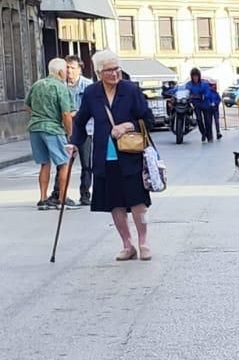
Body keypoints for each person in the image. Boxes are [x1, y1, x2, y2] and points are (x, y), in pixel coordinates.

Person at [67, 50, 156, 261]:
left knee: (137, 202)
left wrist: (128, 125)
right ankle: (127, 244)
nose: (115, 74)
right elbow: (79, 122)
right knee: (115, 203)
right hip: (104, 156)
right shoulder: (91, 93)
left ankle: (143, 242)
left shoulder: (131, 90)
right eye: (109, 70)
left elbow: (148, 119)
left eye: (117, 69)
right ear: (99, 72)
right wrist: (73, 144)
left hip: (130, 154)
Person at [28, 58, 77, 210]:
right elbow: (66, 113)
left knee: (44, 163)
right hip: (53, 128)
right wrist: (70, 133)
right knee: (64, 163)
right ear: (61, 72)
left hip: (35, 127)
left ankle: (43, 199)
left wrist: (38, 115)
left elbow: (27, 104)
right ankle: (61, 199)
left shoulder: (37, 85)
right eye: (65, 70)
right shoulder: (60, 87)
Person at [64, 57, 93, 203]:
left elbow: (92, 108)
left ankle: (85, 194)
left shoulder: (88, 85)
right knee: (63, 163)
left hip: (85, 130)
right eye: (67, 67)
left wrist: (76, 113)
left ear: (80, 69)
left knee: (86, 163)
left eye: (72, 67)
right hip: (65, 129)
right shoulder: (60, 85)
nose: (69, 70)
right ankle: (59, 193)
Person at [183, 68, 216, 142]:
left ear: (199, 76)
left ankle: (210, 136)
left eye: (196, 76)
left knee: (208, 121)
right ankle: (203, 133)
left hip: (206, 104)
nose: (195, 78)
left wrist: (199, 96)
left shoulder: (204, 83)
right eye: (194, 76)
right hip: (196, 104)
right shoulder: (189, 84)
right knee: (199, 119)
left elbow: (207, 93)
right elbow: (187, 93)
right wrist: (191, 96)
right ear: (192, 77)